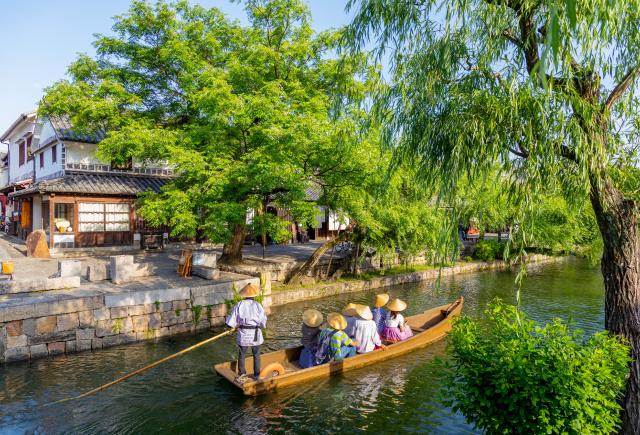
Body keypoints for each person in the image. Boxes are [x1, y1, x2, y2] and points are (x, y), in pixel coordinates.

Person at [225, 283, 267, 382]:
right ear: (254, 295)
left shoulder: (240, 304)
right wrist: (262, 326)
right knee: (256, 354)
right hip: (255, 333)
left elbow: (233, 318)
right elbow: (262, 320)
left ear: (244, 295)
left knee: (242, 354)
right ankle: (257, 374)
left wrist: (229, 327)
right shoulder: (258, 305)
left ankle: (242, 374)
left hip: (243, 333)